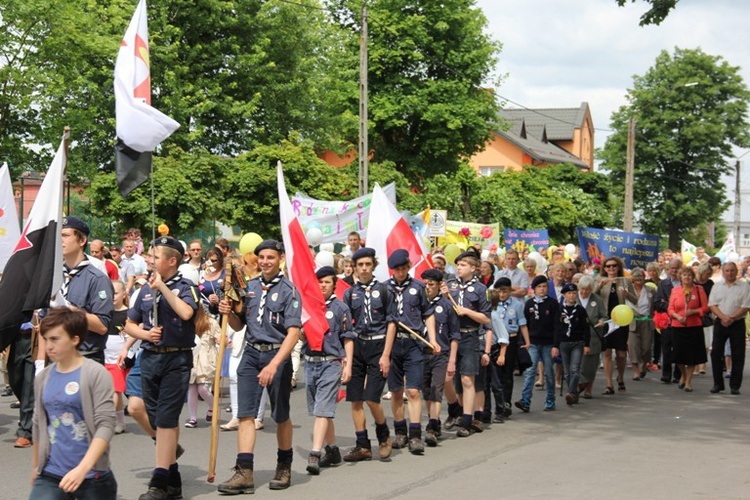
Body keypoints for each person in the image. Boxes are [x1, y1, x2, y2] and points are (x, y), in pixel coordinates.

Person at [217, 240, 301, 493]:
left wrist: (275, 364)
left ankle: (284, 466)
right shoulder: (250, 287)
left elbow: (294, 333)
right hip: (251, 355)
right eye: (261, 257)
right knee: (245, 414)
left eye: (270, 257)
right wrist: (227, 310)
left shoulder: (289, 290)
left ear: (280, 259)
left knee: (280, 416)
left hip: (277, 355)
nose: (265, 262)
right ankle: (244, 473)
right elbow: (238, 325)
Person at [124, 237, 199, 500]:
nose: (150, 260)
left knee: (166, 419)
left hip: (176, 360)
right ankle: (173, 475)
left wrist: (163, 289)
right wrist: (145, 336)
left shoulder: (186, 287)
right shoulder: (144, 290)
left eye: (155, 257)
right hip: (150, 358)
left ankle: (158, 482)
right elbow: (129, 324)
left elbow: (187, 313)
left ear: (172, 261)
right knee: (154, 417)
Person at [31, 307, 117, 499]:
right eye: (46, 339)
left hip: (92, 476)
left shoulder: (95, 373)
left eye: (55, 339)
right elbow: (38, 423)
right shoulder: (43, 377)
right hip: (51, 473)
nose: (48, 345)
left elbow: (106, 423)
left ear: (75, 339)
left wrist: (82, 469)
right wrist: (36, 466)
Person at [341, 247, 393, 462]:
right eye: (360, 265)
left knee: (372, 398)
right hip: (358, 346)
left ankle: (383, 435)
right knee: (355, 400)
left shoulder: (384, 290)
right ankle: (362, 445)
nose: (363, 268)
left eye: (367, 264)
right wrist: (346, 359)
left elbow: (392, 324)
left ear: (373, 266)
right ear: (354, 267)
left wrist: (386, 354)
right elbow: (345, 327)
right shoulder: (349, 292)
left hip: (378, 347)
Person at [385, 249, 438, 455]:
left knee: (414, 390)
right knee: (396, 391)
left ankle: (415, 435)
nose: (400, 272)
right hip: (392, 344)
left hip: (414, 343)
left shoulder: (418, 287)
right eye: (396, 269)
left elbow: (428, 315)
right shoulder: (384, 289)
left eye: (403, 268)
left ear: (408, 267)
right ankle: (400, 432)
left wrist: (432, 339)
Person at [304, 267, 355, 475]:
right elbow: (300, 335)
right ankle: (333, 450)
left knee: (322, 410)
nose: (323, 285)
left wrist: (348, 364)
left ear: (334, 284)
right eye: (319, 282)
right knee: (321, 410)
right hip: (310, 363)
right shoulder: (309, 307)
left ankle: (315, 453)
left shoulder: (341, 308)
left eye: (327, 282)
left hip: (331, 363)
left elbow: (348, 337)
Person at [441, 251, 492, 435]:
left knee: (467, 379)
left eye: (462, 265)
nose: (459, 268)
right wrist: (445, 297)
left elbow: (486, 318)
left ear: (473, 268)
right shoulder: (450, 285)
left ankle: (467, 419)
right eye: (458, 265)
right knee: (447, 378)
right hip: (450, 337)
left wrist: (467, 312)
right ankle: (455, 408)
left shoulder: (480, 289)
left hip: (469, 336)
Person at [58, 217, 115, 365]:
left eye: (65, 235)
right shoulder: (54, 277)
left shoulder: (97, 279)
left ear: (82, 240)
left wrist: (69, 310)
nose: (60, 240)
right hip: (56, 357)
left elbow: (102, 326)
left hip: (86, 357)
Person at [420, 269, 459, 446]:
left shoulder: (447, 306)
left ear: (439, 285)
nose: (428, 287)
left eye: (431, 284)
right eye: (425, 284)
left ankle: (432, 425)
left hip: (440, 354)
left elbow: (454, 335)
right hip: (421, 354)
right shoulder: (419, 305)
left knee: (436, 389)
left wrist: (451, 360)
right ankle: (432, 420)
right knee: (426, 391)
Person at [516, 275, 559, 412]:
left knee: (549, 372)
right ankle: (525, 400)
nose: (542, 289)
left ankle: (550, 399)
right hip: (533, 343)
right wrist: (524, 341)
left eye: (544, 286)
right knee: (530, 371)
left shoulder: (553, 304)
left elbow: (557, 326)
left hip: (548, 343)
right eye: (539, 287)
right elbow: (525, 324)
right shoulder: (529, 304)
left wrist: (556, 345)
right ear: (534, 289)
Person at [594, 256, 637, 394]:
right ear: (604, 268)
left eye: (614, 266)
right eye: (608, 266)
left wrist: (627, 294)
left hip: (620, 319)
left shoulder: (625, 281)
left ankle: (620, 377)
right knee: (606, 352)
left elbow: (635, 300)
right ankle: (609, 383)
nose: (611, 269)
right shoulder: (599, 280)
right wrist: (599, 286)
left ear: (618, 267)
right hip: (606, 319)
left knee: (621, 353)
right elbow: (592, 296)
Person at [489, 277, 529, 419]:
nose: (502, 295)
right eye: (499, 291)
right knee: (496, 374)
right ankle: (498, 403)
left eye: (505, 291)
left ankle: (506, 402)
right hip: (496, 341)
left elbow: (522, 323)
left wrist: (527, 341)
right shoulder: (493, 305)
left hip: (511, 339)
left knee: (508, 373)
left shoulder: (517, 305)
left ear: (510, 291)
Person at [709, 262, 750, 395]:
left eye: (732, 270)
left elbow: (746, 306)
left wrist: (731, 317)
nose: (730, 273)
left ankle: (735, 385)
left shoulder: (744, 286)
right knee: (716, 353)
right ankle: (718, 384)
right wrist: (723, 317)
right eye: (727, 271)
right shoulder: (717, 286)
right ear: (723, 272)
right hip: (720, 323)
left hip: (737, 323)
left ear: (736, 271)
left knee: (738, 354)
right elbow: (712, 305)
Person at [668, 267, 709, 392]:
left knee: (692, 355)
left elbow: (705, 307)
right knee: (678, 355)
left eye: (689, 275)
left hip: (694, 326)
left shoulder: (699, 289)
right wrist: (678, 316)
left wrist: (694, 311)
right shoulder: (675, 290)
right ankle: (684, 375)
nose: (687, 278)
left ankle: (689, 381)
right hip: (678, 326)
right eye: (684, 275)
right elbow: (670, 309)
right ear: (681, 277)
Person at [552, 283, 590, 405]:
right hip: (564, 343)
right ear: (564, 295)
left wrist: (586, 344)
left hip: (577, 343)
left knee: (575, 369)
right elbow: (556, 329)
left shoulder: (580, 310)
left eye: (574, 293)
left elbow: (586, 329)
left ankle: (570, 392)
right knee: (567, 371)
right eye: (569, 293)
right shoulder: (559, 310)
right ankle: (574, 394)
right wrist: (555, 346)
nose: (572, 296)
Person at [185, 310, 220, 428]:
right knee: (192, 388)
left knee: (203, 389)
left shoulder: (211, 322)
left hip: (206, 358)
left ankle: (212, 407)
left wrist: (223, 340)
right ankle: (193, 418)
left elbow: (221, 337)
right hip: (191, 357)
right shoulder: (186, 320)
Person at [104, 280, 129, 434]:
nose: (113, 296)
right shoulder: (105, 312)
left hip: (118, 359)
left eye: (116, 293)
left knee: (115, 391)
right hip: (104, 356)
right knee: (112, 392)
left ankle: (111, 421)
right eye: (110, 293)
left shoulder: (129, 313)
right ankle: (119, 421)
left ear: (124, 294)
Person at [577, 276, 607, 399]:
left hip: (593, 336)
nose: (584, 292)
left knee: (591, 365)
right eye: (582, 289)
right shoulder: (573, 297)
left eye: (588, 290)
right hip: (576, 336)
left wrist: (601, 321)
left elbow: (604, 316)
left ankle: (588, 389)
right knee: (577, 364)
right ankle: (578, 386)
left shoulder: (597, 300)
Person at [654, 258, 683, 384]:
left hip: (681, 320)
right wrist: (672, 307)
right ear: (668, 269)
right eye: (672, 268)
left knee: (679, 347)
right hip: (667, 320)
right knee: (666, 347)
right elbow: (658, 302)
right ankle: (666, 374)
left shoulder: (685, 282)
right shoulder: (663, 284)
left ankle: (678, 374)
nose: (674, 271)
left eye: (677, 268)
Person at [627, 268, 655, 380]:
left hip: (647, 321)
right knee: (633, 347)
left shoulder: (651, 290)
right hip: (632, 321)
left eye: (641, 277)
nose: (639, 279)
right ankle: (636, 371)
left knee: (646, 348)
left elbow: (654, 305)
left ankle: (644, 365)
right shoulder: (627, 291)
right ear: (632, 279)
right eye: (636, 277)